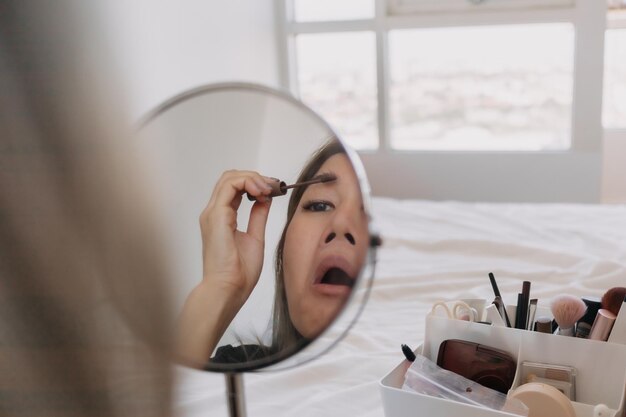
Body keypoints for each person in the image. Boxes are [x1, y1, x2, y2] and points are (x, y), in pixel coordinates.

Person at [175, 139, 369, 366]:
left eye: (370, 213)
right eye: (320, 205)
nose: (341, 225)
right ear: (283, 250)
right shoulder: (238, 365)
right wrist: (220, 286)